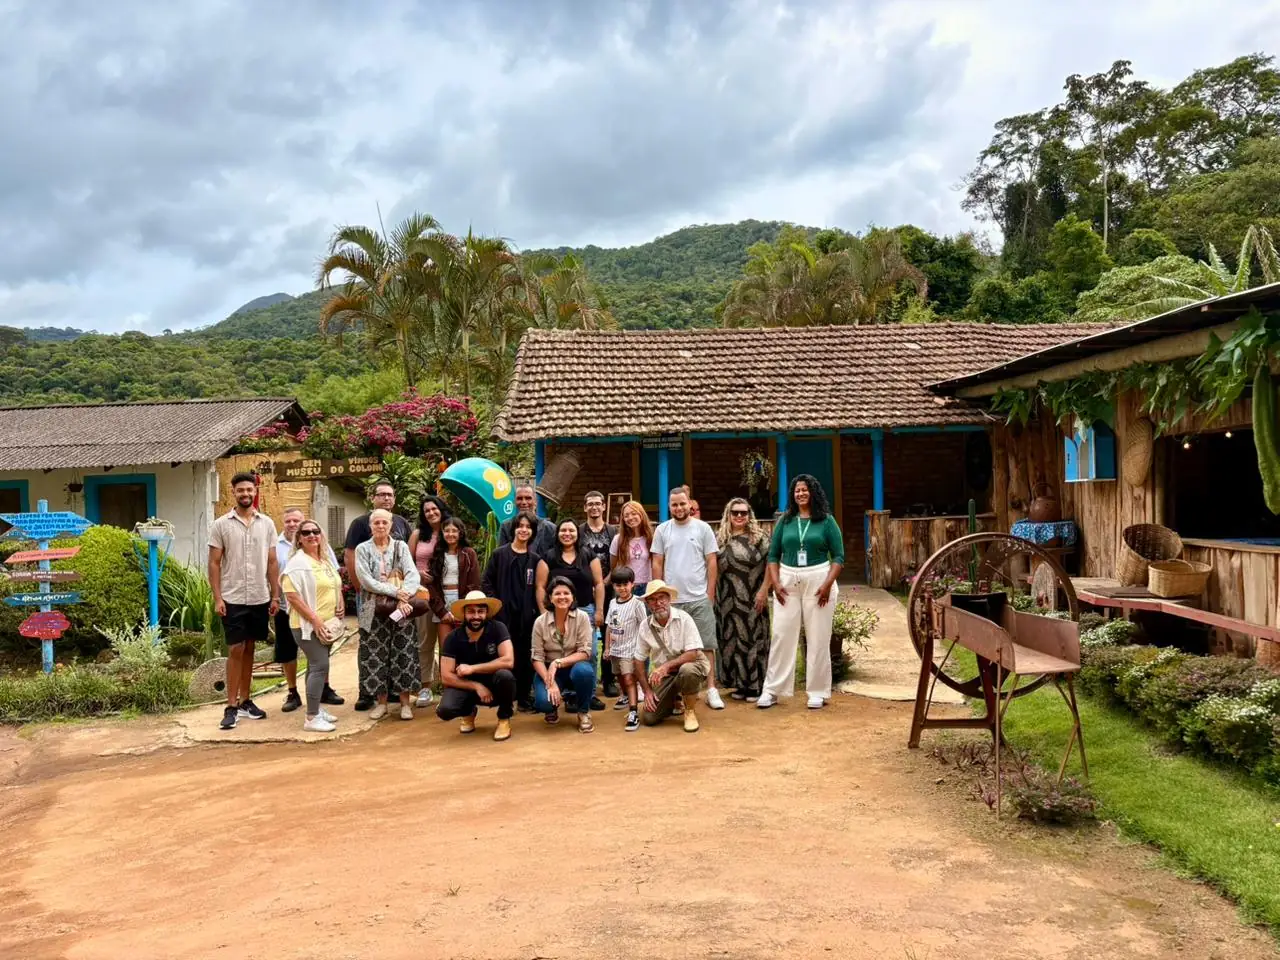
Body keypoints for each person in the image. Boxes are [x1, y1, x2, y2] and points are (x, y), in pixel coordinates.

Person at [758, 474, 845, 710]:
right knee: (782, 635)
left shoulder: (826, 521)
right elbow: (773, 555)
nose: (801, 494)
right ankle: (772, 689)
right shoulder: (785, 521)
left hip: (819, 580)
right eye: (797, 490)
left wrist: (827, 584)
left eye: (805, 489)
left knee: (818, 637)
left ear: (813, 492)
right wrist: (775, 584)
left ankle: (817, 691)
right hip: (787, 580)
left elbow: (838, 557)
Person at [209, 472, 279, 730]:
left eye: (249, 490)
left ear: (255, 490)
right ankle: (230, 706)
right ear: (233, 492)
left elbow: (272, 562)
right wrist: (218, 598)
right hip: (233, 596)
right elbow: (214, 564)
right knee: (235, 648)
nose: (245, 494)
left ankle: (247, 700)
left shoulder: (267, 524)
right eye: (241, 490)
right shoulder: (221, 525)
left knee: (250, 647)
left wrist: (275, 595)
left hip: (259, 596)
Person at [650, 486, 723, 710]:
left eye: (683, 503)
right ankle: (677, 694)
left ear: (690, 504)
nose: (679, 508)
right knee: (673, 648)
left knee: (707, 645)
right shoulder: (662, 530)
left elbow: (711, 561)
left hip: (699, 597)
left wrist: (709, 594)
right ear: (669, 506)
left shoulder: (703, 529)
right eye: (674, 504)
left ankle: (711, 689)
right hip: (673, 600)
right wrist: (659, 594)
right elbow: (657, 562)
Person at [343, 480, 413, 711]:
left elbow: (409, 564)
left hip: (400, 599)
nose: (386, 498)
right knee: (370, 647)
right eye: (381, 494)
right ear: (372, 498)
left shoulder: (402, 524)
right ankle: (367, 693)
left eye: (390, 495)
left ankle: (396, 693)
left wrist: (404, 595)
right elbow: (350, 558)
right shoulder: (359, 524)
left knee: (400, 645)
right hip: (369, 598)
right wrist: (362, 590)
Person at [354, 508, 422, 721]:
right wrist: (395, 591)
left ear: (391, 525)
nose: (381, 526)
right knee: (374, 654)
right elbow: (365, 580)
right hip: (370, 607)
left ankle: (404, 703)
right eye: (377, 523)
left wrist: (404, 597)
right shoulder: (362, 549)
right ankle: (380, 703)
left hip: (401, 606)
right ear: (370, 526)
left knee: (404, 650)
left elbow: (412, 574)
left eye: (385, 522)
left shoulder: (400, 547)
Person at [275, 506, 343, 713]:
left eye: (315, 532)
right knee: (319, 665)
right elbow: (292, 596)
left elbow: (335, 583)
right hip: (307, 624)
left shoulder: (323, 559)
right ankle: (312, 716)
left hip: (327, 622)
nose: (312, 535)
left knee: (316, 666)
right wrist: (315, 620)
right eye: (306, 533)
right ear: (299, 539)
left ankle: (316, 709)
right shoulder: (297, 562)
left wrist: (340, 602)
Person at [535, 518, 605, 712]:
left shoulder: (588, 555)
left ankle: (587, 695)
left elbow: (598, 583)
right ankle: (567, 695)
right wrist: (544, 612)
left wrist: (599, 610)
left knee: (588, 653)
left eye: (571, 531)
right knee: (560, 650)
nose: (567, 534)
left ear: (577, 534)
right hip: (556, 611)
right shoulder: (548, 557)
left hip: (585, 610)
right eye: (563, 530)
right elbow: (540, 586)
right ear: (557, 534)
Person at [436, 590, 517, 741]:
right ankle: (468, 712)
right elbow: (446, 676)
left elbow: (508, 660)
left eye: (481, 611)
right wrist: (476, 686)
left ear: (487, 613)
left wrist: (473, 668)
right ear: (464, 614)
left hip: (494, 684)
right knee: (445, 710)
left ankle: (504, 718)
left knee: (505, 676)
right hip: (468, 685)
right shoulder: (453, 638)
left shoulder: (498, 628)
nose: (476, 616)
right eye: (471, 612)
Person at [481, 511, 540, 711]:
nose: (523, 530)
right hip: (503, 616)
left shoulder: (535, 559)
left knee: (525, 656)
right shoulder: (499, 554)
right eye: (520, 526)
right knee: (505, 656)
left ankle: (524, 696)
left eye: (528, 527)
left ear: (532, 532)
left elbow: (539, 588)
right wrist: (496, 605)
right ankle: (507, 697)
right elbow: (487, 581)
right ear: (514, 529)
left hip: (526, 617)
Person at [632, 580, 709, 732]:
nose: (658, 603)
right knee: (649, 717)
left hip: (691, 665)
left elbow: (692, 654)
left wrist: (665, 667)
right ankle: (674, 699)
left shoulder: (684, 618)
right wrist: (647, 691)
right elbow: (638, 660)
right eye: (653, 599)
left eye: (662, 598)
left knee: (687, 671)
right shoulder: (645, 626)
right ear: (647, 603)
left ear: (669, 599)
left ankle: (690, 711)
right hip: (666, 675)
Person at [715, 498, 771, 702]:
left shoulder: (760, 538)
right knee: (732, 642)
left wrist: (764, 591)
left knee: (753, 639)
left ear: (749, 515)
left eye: (743, 513)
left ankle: (755, 685)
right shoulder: (720, 539)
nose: (739, 516)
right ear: (728, 515)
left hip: (753, 598)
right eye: (735, 513)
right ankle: (738, 684)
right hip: (727, 601)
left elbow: (771, 566)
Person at [531, 577, 596, 733]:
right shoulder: (540, 622)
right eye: (557, 593)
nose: (562, 597)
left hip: (574, 666)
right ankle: (551, 708)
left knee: (584, 672)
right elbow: (536, 657)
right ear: (550, 598)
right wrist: (550, 681)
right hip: (549, 671)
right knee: (542, 703)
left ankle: (583, 712)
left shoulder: (582, 617)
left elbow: (585, 652)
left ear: (573, 596)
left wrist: (557, 662)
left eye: (566, 593)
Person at [408, 495, 451, 709]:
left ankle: (448, 685)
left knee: (448, 643)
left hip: (446, 595)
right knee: (424, 642)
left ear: (441, 510)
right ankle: (425, 687)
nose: (431, 513)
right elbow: (406, 563)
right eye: (427, 511)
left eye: (434, 509)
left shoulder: (450, 531)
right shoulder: (418, 535)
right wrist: (418, 574)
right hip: (423, 596)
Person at [578, 490, 618, 697]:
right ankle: (586, 679)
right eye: (590, 504)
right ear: (585, 507)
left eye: (597, 503)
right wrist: (590, 584)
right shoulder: (578, 532)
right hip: (583, 590)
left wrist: (603, 583)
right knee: (585, 634)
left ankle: (609, 678)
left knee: (610, 633)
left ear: (604, 506)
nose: (594, 507)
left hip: (610, 588)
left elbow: (618, 560)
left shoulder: (613, 532)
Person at [603, 565, 647, 730]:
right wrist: (607, 647)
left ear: (632, 584)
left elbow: (644, 626)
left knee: (629, 678)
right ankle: (626, 696)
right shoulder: (613, 602)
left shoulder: (637, 604)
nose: (622, 588)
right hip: (616, 648)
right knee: (620, 675)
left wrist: (641, 649)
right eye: (618, 585)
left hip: (631, 648)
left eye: (625, 584)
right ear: (613, 586)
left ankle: (633, 713)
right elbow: (608, 626)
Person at [497, 483, 557, 556]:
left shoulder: (550, 529)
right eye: (519, 498)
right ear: (514, 502)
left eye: (528, 498)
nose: (524, 502)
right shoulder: (506, 527)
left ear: (535, 501)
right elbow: (501, 557)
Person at [610, 500, 654, 592]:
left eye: (634, 514)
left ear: (641, 515)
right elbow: (613, 567)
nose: (630, 518)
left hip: (648, 587)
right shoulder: (618, 539)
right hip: (626, 587)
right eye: (626, 516)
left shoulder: (652, 538)